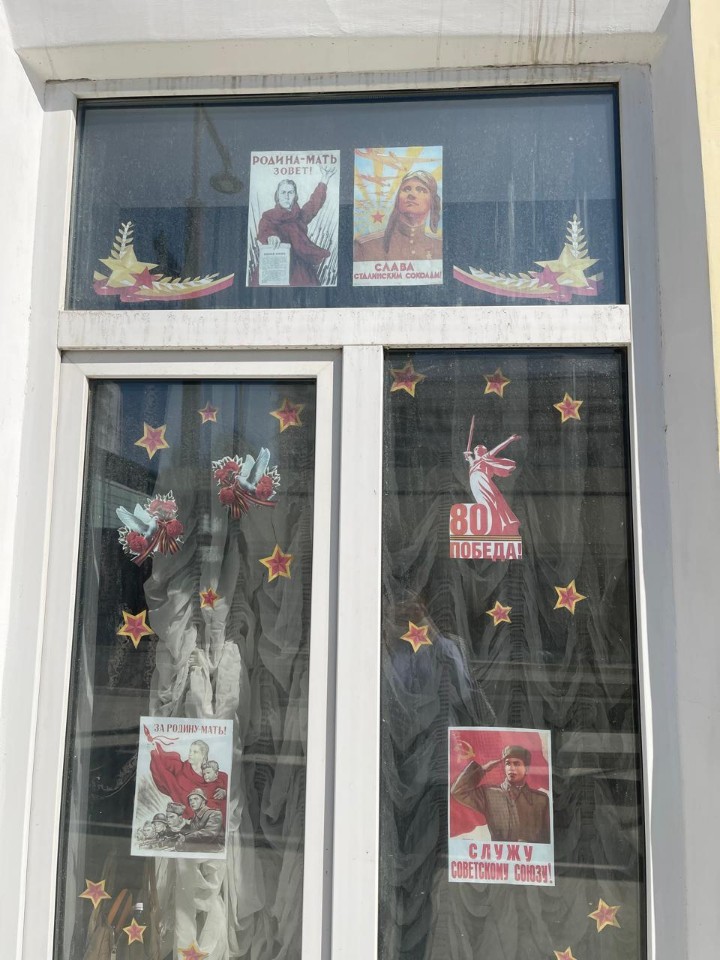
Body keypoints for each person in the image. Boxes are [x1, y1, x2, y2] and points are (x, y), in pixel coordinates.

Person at [253, 165, 337, 286]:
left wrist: (325, 178)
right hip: (276, 263)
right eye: (283, 192)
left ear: (295, 196)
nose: (287, 196)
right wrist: (271, 236)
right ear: (277, 196)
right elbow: (265, 229)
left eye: (290, 192)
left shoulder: (300, 216)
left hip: (299, 267)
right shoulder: (269, 215)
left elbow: (314, 203)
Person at [451, 743, 550, 843]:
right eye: (508, 764)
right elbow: (458, 791)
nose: (511, 768)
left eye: (516, 764)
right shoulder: (489, 794)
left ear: (527, 769)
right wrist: (483, 769)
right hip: (499, 852)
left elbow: (547, 838)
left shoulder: (541, 800)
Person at [353, 169, 442, 262]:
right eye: (406, 189)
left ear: (432, 202)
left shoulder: (440, 246)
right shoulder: (365, 246)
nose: (411, 194)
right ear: (398, 199)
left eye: (421, 190)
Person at [149, 738, 227, 820]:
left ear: (203, 755)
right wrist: (156, 750)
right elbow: (162, 768)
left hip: (215, 812)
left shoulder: (211, 771)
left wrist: (225, 792)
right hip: (193, 814)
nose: (190, 754)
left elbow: (226, 782)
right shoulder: (181, 769)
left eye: (195, 752)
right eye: (190, 751)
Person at [463, 434, 521, 536]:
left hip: (483, 481)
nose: (479, 449)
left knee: (489, 502)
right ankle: (489, 526)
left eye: (482, 448)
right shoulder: (473, 462)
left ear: (485, 451)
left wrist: (510, 439)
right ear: (474, 451)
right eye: (476, 448)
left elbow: (498, 448)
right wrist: (468, 456)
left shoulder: (485, 457)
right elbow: (471, 461)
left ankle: (495, 527)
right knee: (482, 504)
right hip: (474, 484)